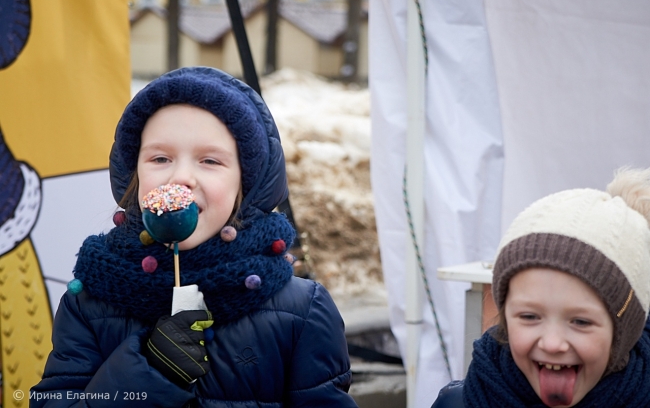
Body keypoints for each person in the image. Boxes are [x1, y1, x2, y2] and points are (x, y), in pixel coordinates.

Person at [31, 67, 359, 407]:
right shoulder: (89, 303)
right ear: (135, 175)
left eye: (210, 161)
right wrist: (147, 374)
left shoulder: (302, 311)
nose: (181, 177)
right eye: (160, 158)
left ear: (245, 186)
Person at [432, 167, 650, 408]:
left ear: (625, 332)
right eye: (529, 316)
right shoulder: (460, 403)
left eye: (581, 322)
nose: (552, 344)